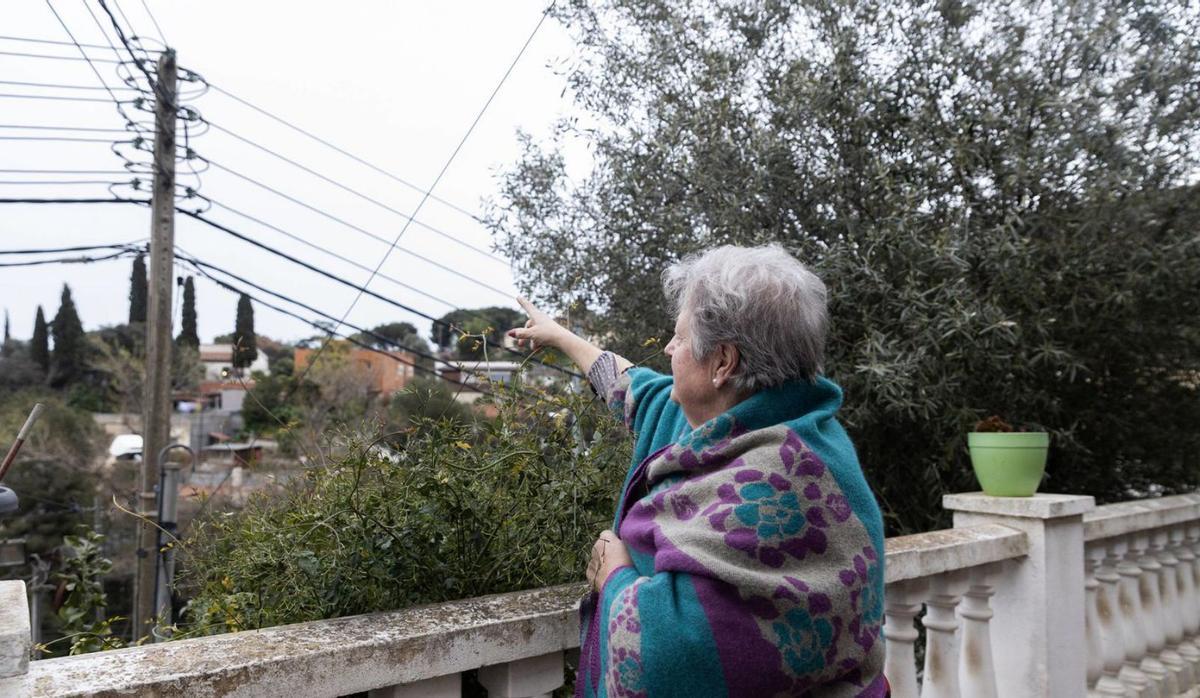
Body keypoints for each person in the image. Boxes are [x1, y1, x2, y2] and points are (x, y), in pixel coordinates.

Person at [509, 244, 887, 698]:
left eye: (680, 338)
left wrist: (613, 577)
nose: (668, 348)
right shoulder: (752, 424)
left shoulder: (776, 478)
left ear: (723, 362)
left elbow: (672, 662)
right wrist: (561, 337)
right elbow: (633, 388)